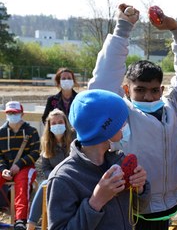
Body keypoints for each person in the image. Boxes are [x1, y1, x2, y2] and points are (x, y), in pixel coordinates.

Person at [87, 3, 177, 230]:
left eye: (154, 90)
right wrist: (123, 29)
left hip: (167, 205)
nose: (148, 96)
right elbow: (104, 80)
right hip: (132, 207)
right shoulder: (122, 113)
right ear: (127, 90)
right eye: (140, 90)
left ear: (162, 90)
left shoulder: (172, 108)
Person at [46, 89, 149, 230]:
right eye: (121, 121)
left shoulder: (119, 160)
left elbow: (139, 209)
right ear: (106, 128)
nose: (125, 125)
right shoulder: (63, 178)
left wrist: (140, 189)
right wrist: (96, 202)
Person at [27, 109, 74, 230]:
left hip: (75, 177)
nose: (57, 125)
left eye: (60, 122)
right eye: (53, 123)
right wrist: (54, 176)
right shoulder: (47, 142)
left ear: (65, 123)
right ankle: (31, 225)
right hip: (56, 179)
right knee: (44, 185)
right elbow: (45, 168)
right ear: (49, 126)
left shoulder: (74, 137)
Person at [0, 101, 40, 230]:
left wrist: (19, 164)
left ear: (22, 114)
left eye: (15, 113)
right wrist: (3, 169)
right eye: (9, 113)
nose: (12, 115)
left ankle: (20, 220)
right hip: (6, 169)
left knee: (22, 186)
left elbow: (36, 152)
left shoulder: (31, 131)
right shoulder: (1, 132)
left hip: (25, 167)